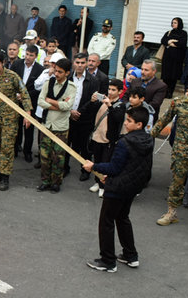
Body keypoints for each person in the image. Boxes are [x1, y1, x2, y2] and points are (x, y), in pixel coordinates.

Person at [84, 106, 153, 272]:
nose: (126, 123)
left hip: (118, 188)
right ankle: (131, 255)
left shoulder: (124, 142)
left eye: (129, 121)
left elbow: (114, 167)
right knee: (122, 217)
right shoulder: (148, 140)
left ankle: (108, 260)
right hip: (132, 187)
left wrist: (94, 166)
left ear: (139, 124)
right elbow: (133, 166)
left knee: (106, 221)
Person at [151, 79, 188, 226]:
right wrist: (148, 137)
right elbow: (163, 120)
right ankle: (171, 213)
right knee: (177, 182)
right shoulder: (179, 102)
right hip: (181, 150)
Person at [0, 50, 32, 190]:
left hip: (9, 119)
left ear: (3, 63)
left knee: (6, 147)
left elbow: (24, 94)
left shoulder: (12, 76)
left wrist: (27, 113)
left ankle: (5, 177)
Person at [36, 57, 76, 193]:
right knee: (44, 156)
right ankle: (45, 181)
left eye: (60, 72)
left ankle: (56, 183)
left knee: (58, 157)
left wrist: (50, 102)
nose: (56, 74)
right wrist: (57, 105)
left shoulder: (71, 87)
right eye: (56, 71)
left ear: (67, 73)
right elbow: (41, 101)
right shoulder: (49, 83)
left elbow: (68, 106)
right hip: (47, 125)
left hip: (61, 127)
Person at [87, 79, 126, 197]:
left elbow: (118, 118)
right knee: (97, 160)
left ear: (120, 91)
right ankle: (97, 182)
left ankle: (104, 185)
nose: (110, 92)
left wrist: (110, 105)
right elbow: (91, 112)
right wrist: (92, 101)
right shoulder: (102, 101)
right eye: (109, 89)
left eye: (113, 90)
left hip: (109, 139)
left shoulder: (120, 105)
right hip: (97, 136)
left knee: (106, 162)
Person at [64, 53, 99, 181]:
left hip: (84, 120)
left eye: (82, 63)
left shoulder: (93, 80)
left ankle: (85, 170)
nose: (79, 65)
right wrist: (70, 111)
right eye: (77, 62)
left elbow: (93, 101)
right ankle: (64, 168)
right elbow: (62, 96)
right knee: (67, 144)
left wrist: (78, 112)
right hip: (68, 117)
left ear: (86, 63)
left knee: (84, 147)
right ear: (74, 62)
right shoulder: (68, 78)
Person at [11, 45, 45, 163]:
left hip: (30, 103)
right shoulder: (17, 64)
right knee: (16, 126)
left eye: (31, 55)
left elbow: (38, 88)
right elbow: (12, 80)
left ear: (36, 56)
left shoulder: (40, 69)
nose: (28, 57)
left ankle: (27, 152)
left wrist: (25, 96)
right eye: (27, 54)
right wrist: (16, 94)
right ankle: (15, 148)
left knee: (29, 128)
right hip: (16, 100)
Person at [160, 17, 188, 98]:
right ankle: (164, 92)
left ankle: (170, 93)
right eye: (172, 22)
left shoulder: (183, 33)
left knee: (173, 77)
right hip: (167, 58)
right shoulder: (169, 32)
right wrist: (170, 41)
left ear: (179, 23)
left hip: (176, 60)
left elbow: (182, 44)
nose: (173, 24)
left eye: (175, 22)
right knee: (166, 76)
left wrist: (170, 42)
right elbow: (163, 41)